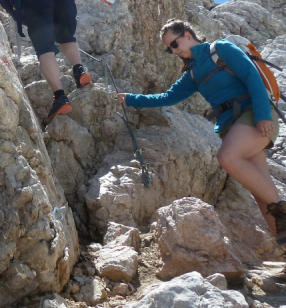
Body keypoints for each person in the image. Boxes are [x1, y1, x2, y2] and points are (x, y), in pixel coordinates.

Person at [116, 19, 285, 243]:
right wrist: (130, 99)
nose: (174, 51)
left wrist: (263, 115)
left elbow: (251, 76)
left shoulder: (221, 49)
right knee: (262, 195)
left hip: (255, 116)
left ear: (187, 34)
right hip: (231, 127)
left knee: (227, 157)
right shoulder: (193, 73)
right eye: (169, 49)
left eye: (175, 44)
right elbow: (168, 97)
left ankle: (284, 208)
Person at [0, 0, 92, 125]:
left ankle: (60, 97)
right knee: (66, 36)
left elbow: (12, 12)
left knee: (45, 50)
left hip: (36, 0)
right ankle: (79, 70)